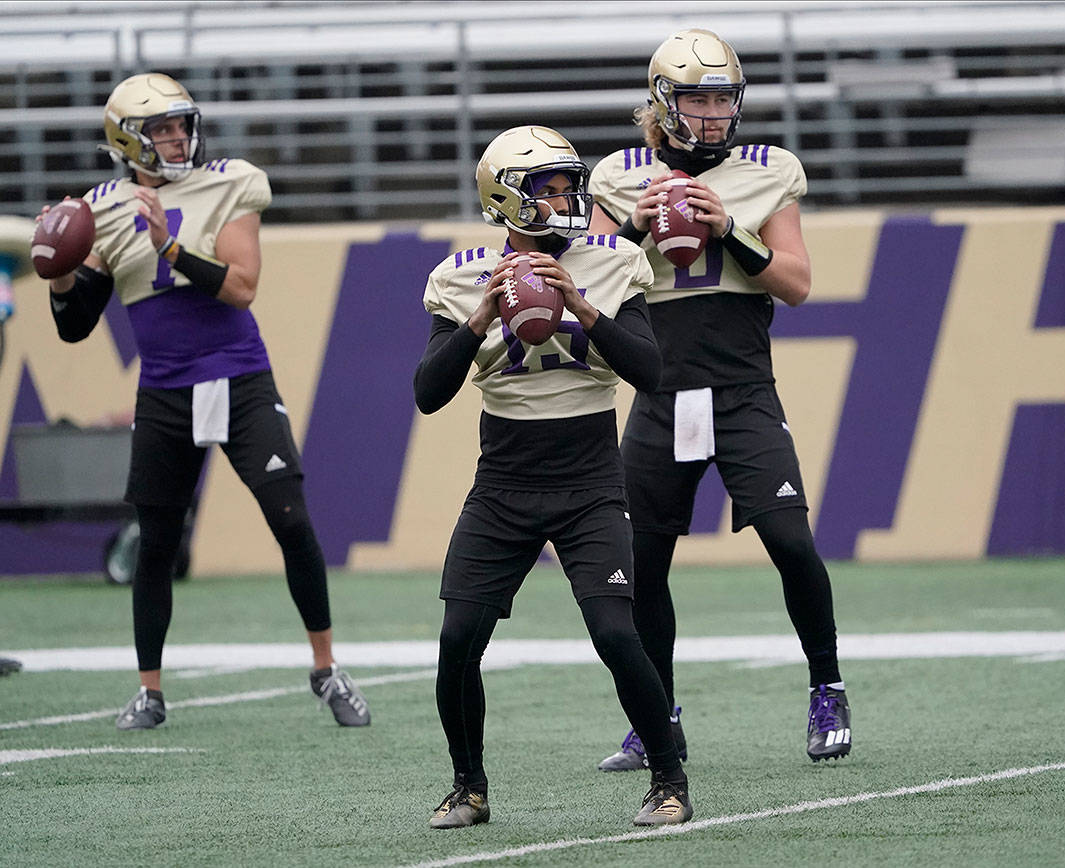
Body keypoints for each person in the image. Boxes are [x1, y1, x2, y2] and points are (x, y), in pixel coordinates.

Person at [38, 73, 369, 730]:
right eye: (161, 129)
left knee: (291, 518)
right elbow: (76, 324)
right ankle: (150, 690)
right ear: (128, 142)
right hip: (165, 389)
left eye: (181, 124)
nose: (177, 137)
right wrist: (62, 270)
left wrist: (167, 246)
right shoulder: (104, 207)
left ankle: (327, 669)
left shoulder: (231, 181)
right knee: (155, 539)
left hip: (239, 377)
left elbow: (242, 286)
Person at [414, 125, 692, 828]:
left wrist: (582, 307)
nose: (566, 199)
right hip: (503, 482)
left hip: (591, 478)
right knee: (456, 639)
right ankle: (468, 786)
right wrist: (480, 317)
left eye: (570, 186)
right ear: (505, 199)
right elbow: (427, 391)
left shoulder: (613, 262)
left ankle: (669, 779)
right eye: (549, 189)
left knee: (614, 631)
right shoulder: (459, 276)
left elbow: (651, 373)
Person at [587, 29, 851, 767]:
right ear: (663, 104)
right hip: (659, 392)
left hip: (740, 389)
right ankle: (654, 717)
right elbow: (596, 289)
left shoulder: (769, 170)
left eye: (721, 98)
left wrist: (726, 226)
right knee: (642, 562)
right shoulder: (618, 175)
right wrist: (641, 223)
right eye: (697, 98)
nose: (711, 113)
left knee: (792, 542)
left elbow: (796, 284)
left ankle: (826, 685)